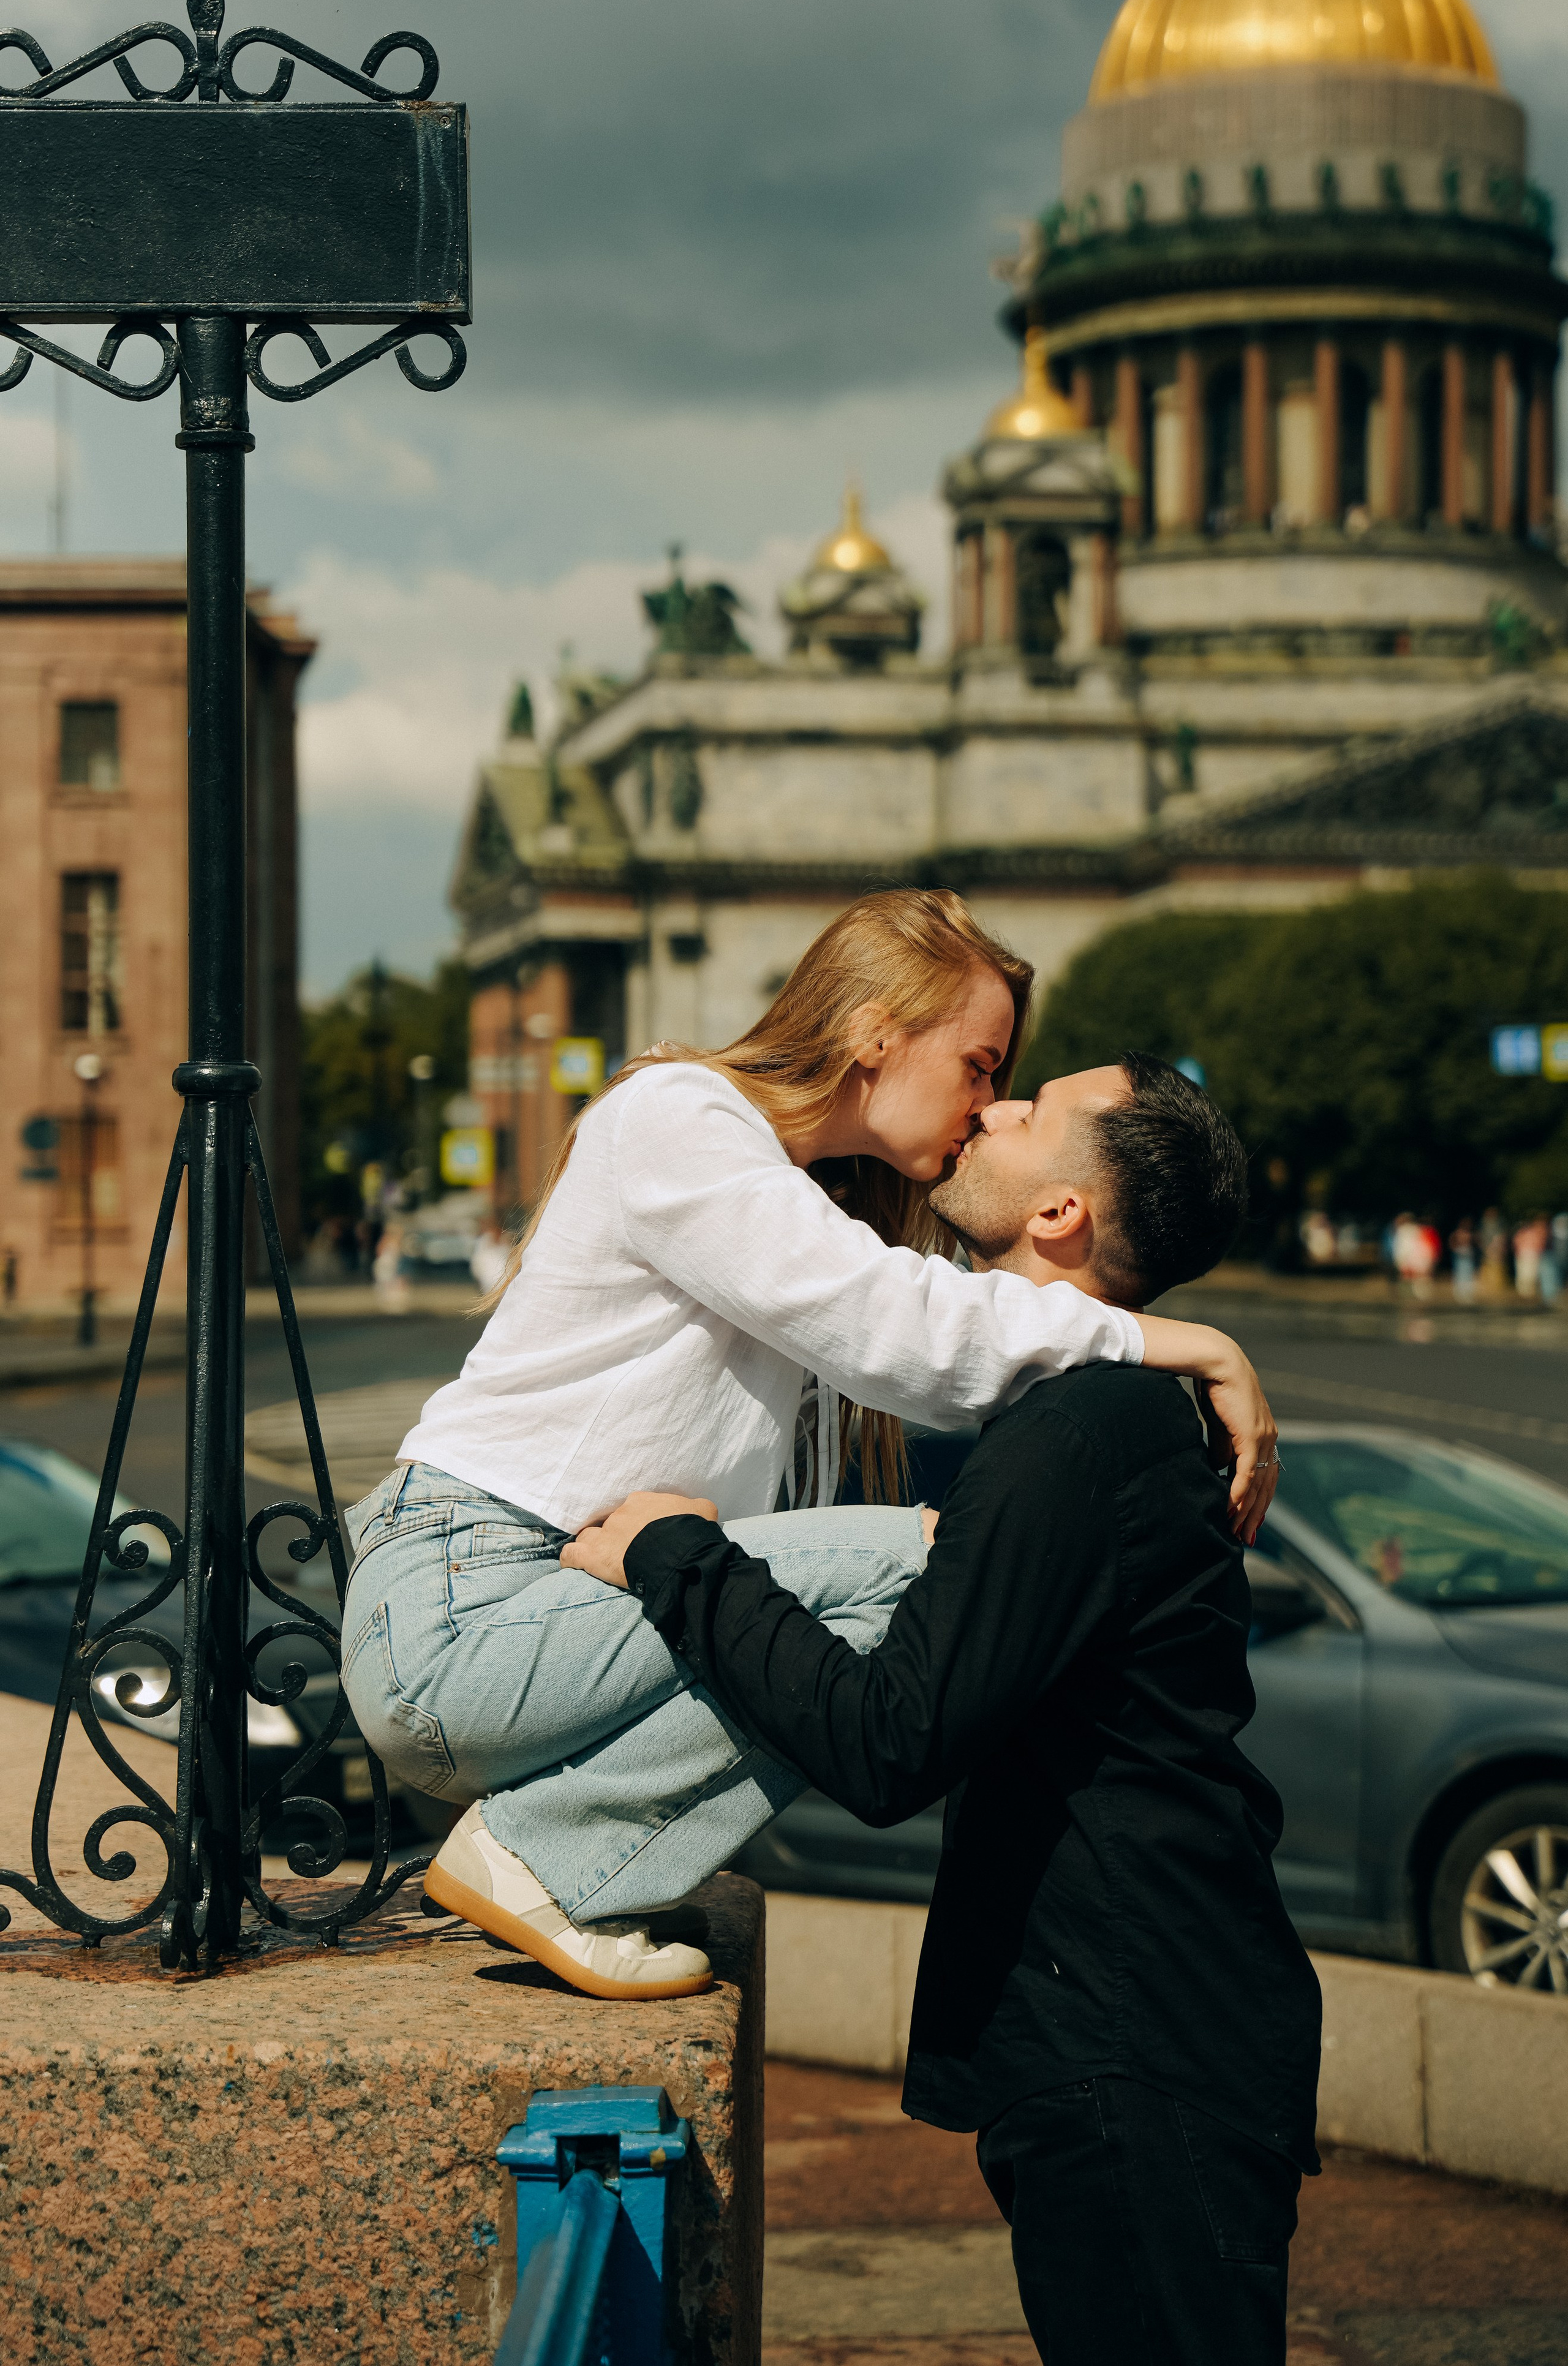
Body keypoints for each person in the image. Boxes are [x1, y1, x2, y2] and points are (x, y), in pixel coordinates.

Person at [342, 891, 1277, 1999]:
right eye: (980, 1064)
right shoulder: (683, 1118)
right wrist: (1185, 1341)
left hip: (539, 1619)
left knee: (832, 1611)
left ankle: (553, 1852)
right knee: (930, 1566)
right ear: (880, 1032)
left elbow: (938, 1346)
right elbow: (905, 1333)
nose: (985, 1104)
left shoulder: (791, 1193)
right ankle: (545, 1857)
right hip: (460, 1618)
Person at [561, 1057, 1319, 2366]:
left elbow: (885, 1738)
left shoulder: (1083, 1433)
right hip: (1135, 2024)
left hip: (1137, 2045)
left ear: (1061, 1215)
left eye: (1028, 1107)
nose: (990, 1107)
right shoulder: (1093, 1412)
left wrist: (678, 1557)